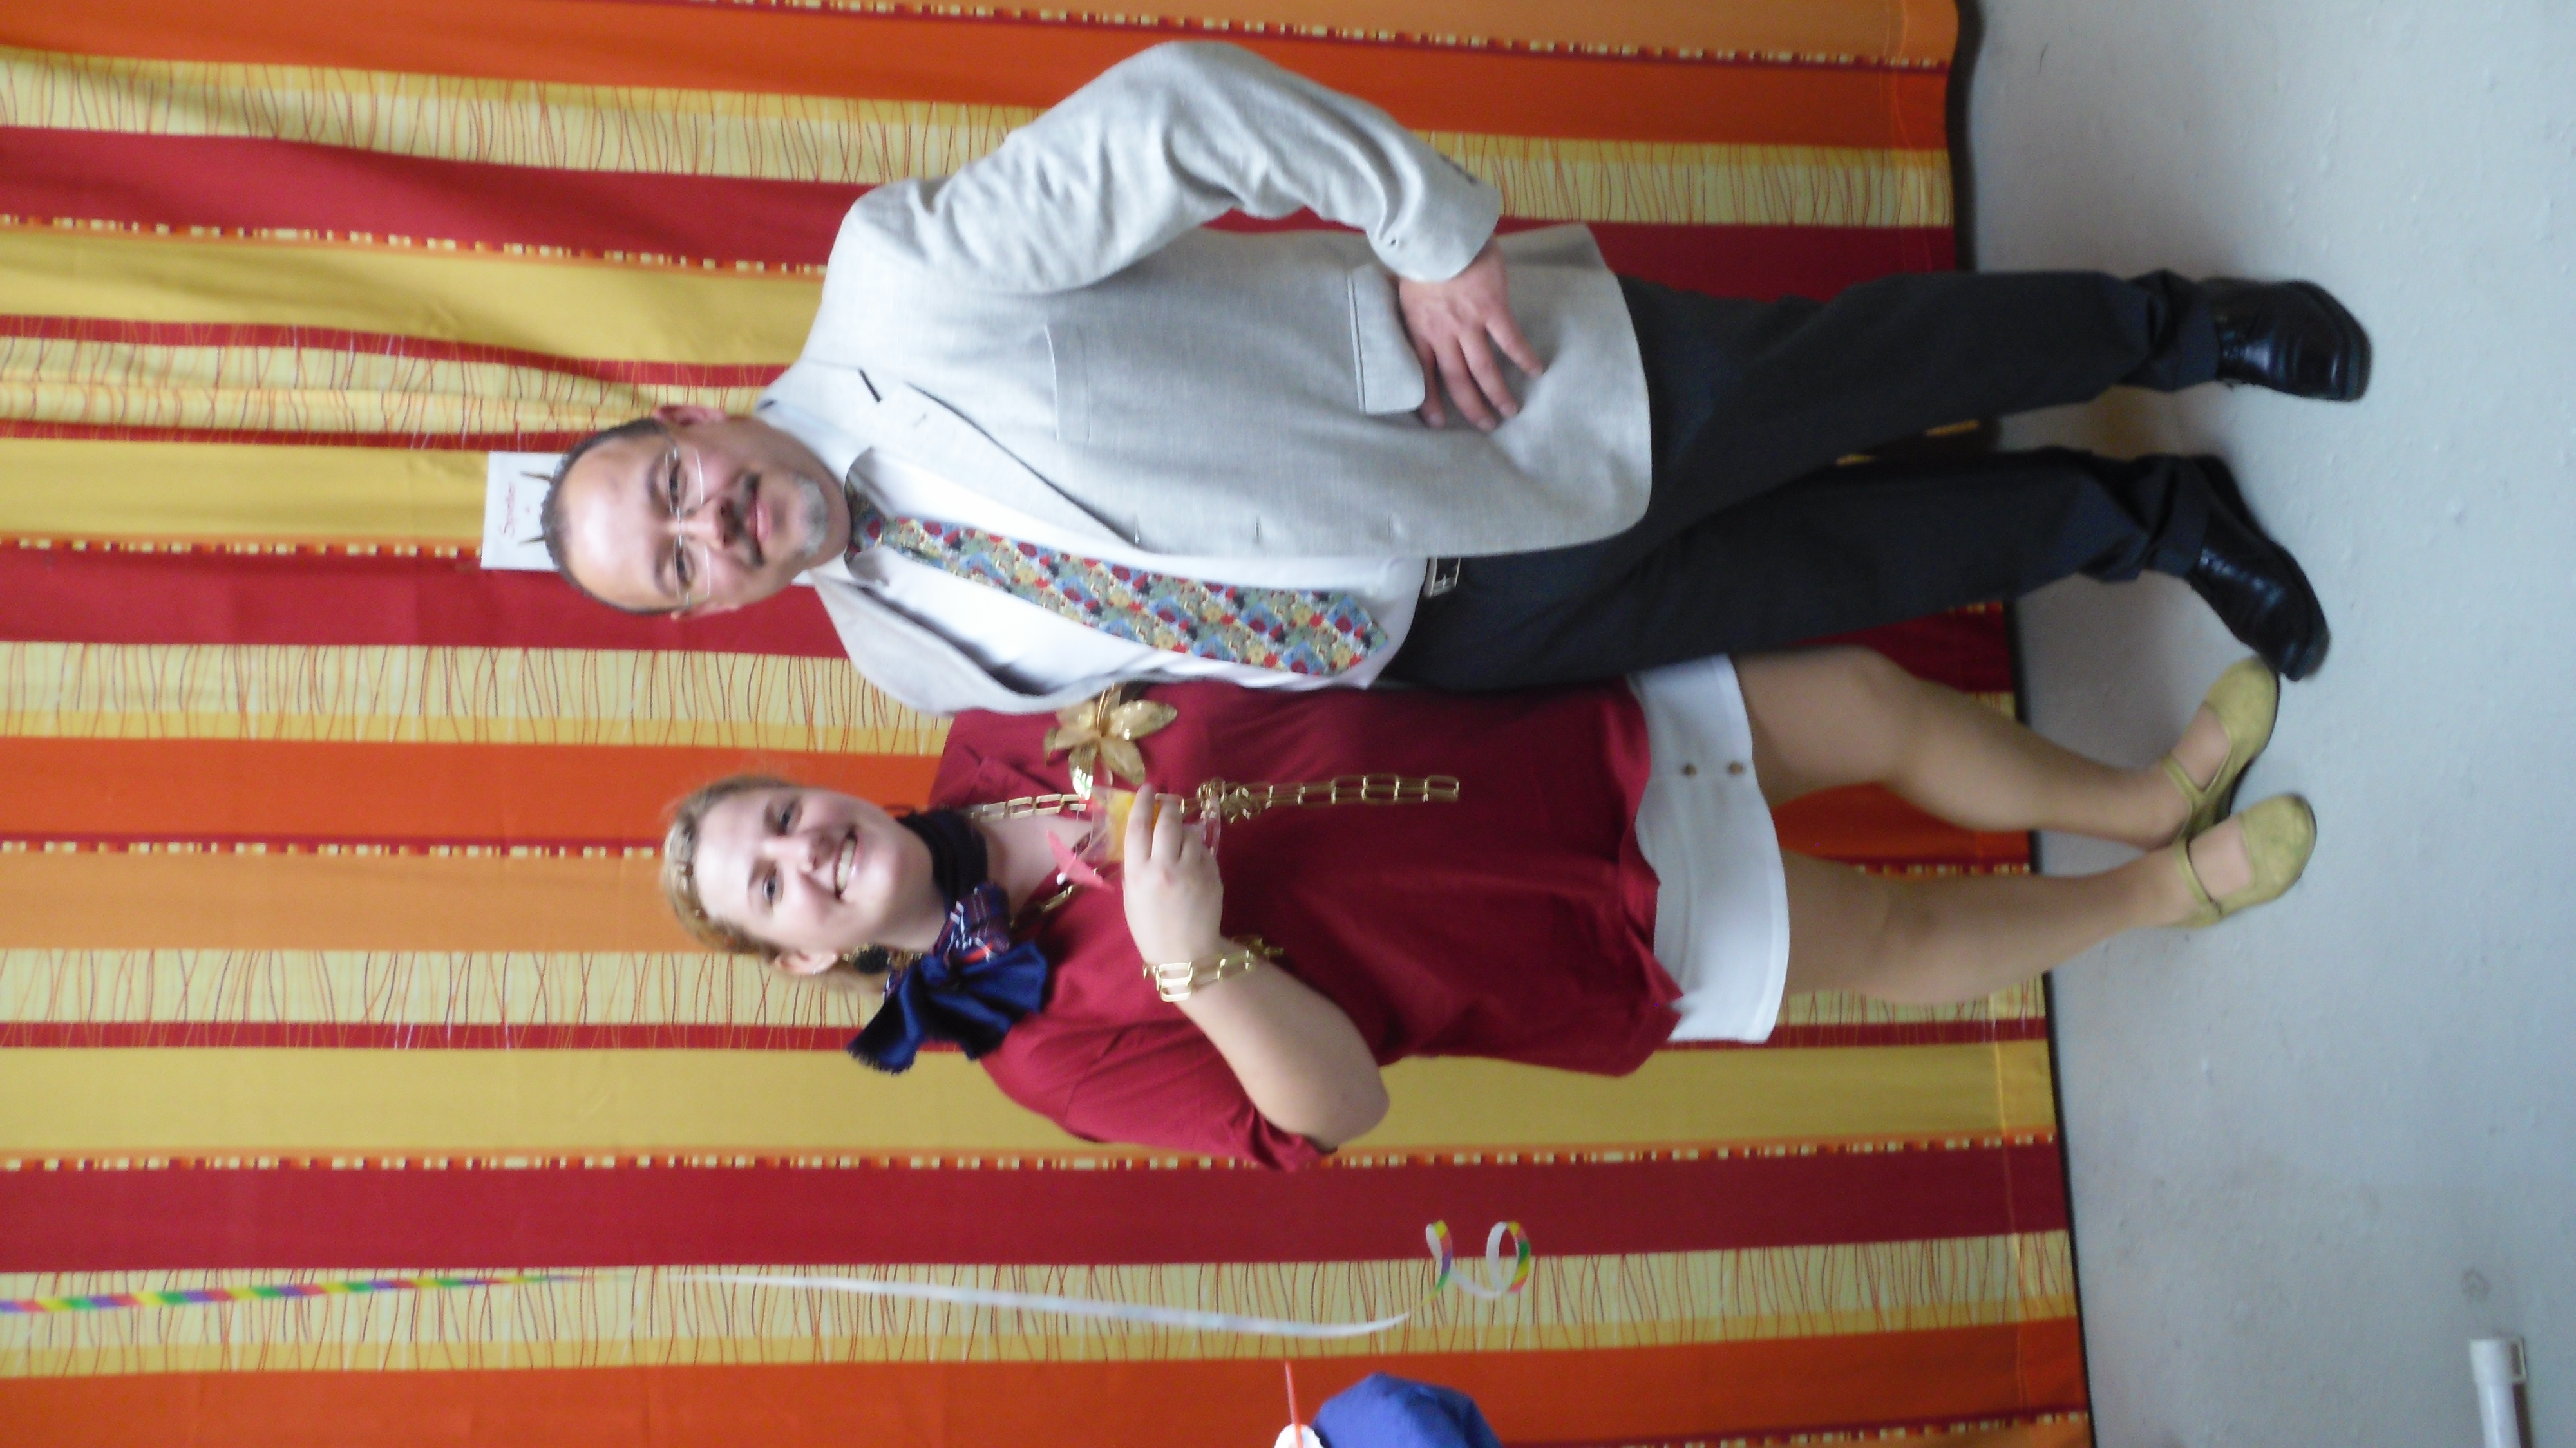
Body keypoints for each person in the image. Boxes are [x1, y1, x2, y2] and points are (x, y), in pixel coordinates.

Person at [544, 40, 2369, 713]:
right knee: (1845, 568)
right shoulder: (891, 653)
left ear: (689, 417)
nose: (713, 527)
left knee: (1857, 377)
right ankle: (2148, 522)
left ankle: (2177, 329)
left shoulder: (893, 285)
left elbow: (1176, 113)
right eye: (678, 564)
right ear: (704, 613)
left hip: (1467, 395)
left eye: (671, 488)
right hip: (1443, 640)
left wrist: (1425, 228)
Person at [658, 651, 2313, 1167]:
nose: (806, 851)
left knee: (1872, 705)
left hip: (1542, 730)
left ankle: (2141, 795)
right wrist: (1191, 963)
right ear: (806, 955)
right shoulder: (1041, 1054)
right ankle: (2156, 892)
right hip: (1544, 933)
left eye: (780, 816)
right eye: (771, 882)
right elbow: (1333, 1109)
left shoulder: (991, 723)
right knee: (1888, 937)